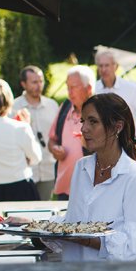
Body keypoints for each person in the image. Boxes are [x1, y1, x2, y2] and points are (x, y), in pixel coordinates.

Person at [38, 93, 136, 261]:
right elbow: (73, 222)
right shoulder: (81, 168)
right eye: (83, 121)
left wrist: (83, 237)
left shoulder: (135, 177)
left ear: (117, 127)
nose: (84, 129)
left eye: (93, 121)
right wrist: (32, 225)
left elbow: (132, 246)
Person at [94, 49, 136, 144]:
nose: (103, 69)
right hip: (100, 146)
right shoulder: (93, 89)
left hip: (126, 146)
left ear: (116, 66)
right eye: (100, 66)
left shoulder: (131, 89)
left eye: (107, 65)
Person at [12, 65, 59, 201]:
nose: (39, 86)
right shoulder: (14, 108)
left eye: (41, 81)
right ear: (23, 84)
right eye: (34, 82)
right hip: (24, 172)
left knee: (44, 210)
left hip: (48, 169)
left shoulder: (52, 105)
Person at [48, 66, 93, 200]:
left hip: (91, 188)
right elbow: (52, 139)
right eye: (68, 87)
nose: (69, 93)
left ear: (88, 88)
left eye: (74, 87)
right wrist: (54, 148)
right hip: (65, 188)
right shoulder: (65, 107)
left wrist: (89, 144)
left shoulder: (100, 111)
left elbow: (112, 148)